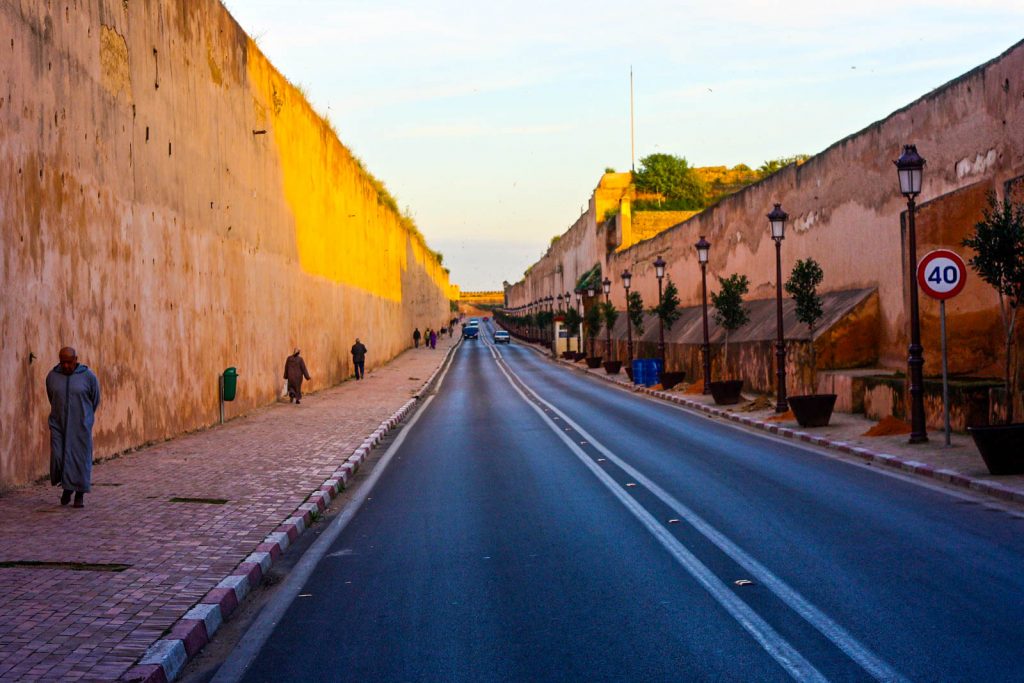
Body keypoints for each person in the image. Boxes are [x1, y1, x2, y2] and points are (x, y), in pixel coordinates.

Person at [46, 347, 100, 508]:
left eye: (69, 362)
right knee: (58, 456)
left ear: (76, 359)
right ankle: (67, 488)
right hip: (58, 424)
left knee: (80, 460)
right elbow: (52, 397)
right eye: (63, 362)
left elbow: (95, 399)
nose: (66, 366)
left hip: (80, 425)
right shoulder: (52, 376)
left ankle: (79, 494)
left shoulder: (88, 377)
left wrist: (86, 418)